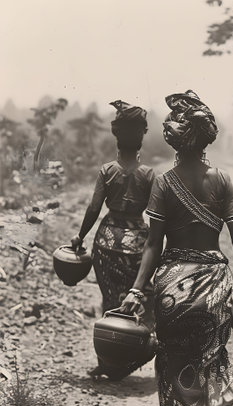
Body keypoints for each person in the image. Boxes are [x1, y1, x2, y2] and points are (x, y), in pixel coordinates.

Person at [121, 90, 233, 406]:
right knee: (211, 358)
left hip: (172, 286)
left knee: (172, 359)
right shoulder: (223, 180)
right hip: (214, 283)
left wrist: (137, 290)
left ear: (176, 139)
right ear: (206, 136)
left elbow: (153, 245)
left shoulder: (164, 183)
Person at [70, 100, 156, 381]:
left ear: (115, 135)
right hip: (137, 243)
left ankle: (108, 362)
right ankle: (137, 350)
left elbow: (94, 209)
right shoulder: (149, 175)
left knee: (108, 300)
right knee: (139, 299)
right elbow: (156, 219)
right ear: (142, 135)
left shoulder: (107, 170)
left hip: (106, 241)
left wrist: (80, 236)